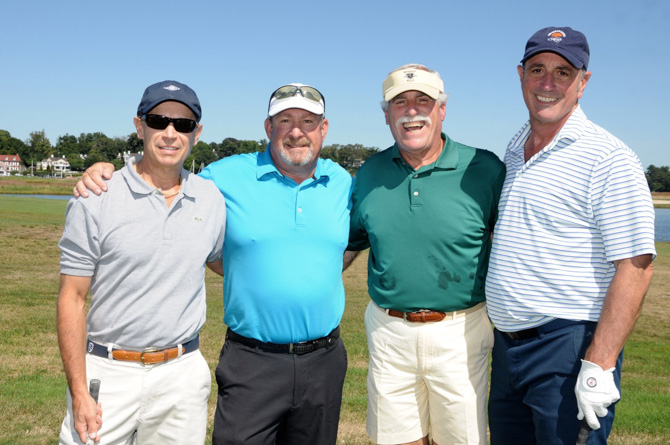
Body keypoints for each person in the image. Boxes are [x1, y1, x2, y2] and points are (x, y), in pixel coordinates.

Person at [74, 83, 353, 445]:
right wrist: (104, 172)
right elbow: (164, 175)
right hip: (252, 359)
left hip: (324, 360)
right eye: (285, 120)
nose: (296, 131)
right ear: (269, 128)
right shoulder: (223, 177)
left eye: (308, 121)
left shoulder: (343, 182)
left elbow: (358, 239)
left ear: (324, 129)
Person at [485, 27, 656, 444]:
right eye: (537, 70)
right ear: (521, 75)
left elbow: (635, 266)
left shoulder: (609, 157)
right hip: (507, 350)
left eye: (563, 72)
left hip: (567, 349)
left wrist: (599, 363)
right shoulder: (515, 148)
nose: (547, 84)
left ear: (583, 82)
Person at [58, 80, 226, 444]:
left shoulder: (211, 198)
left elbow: (221, 261)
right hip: (108, 372)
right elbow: (72, 297)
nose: (170, 133)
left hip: (181, 375)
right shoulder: (97, 195)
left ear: (196, 133)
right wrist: (79, 391)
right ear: (139, 126)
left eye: (183, 124)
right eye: (158, 121)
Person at [346, 64, 505, 445]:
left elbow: (509, 243)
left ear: (442, 109)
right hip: (389, 331)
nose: (412, 111)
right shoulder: (370, 172)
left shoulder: (484, 168)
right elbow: (351, 243)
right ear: (386, 114)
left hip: (461, 331)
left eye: (423, 101)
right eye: (399, 102)